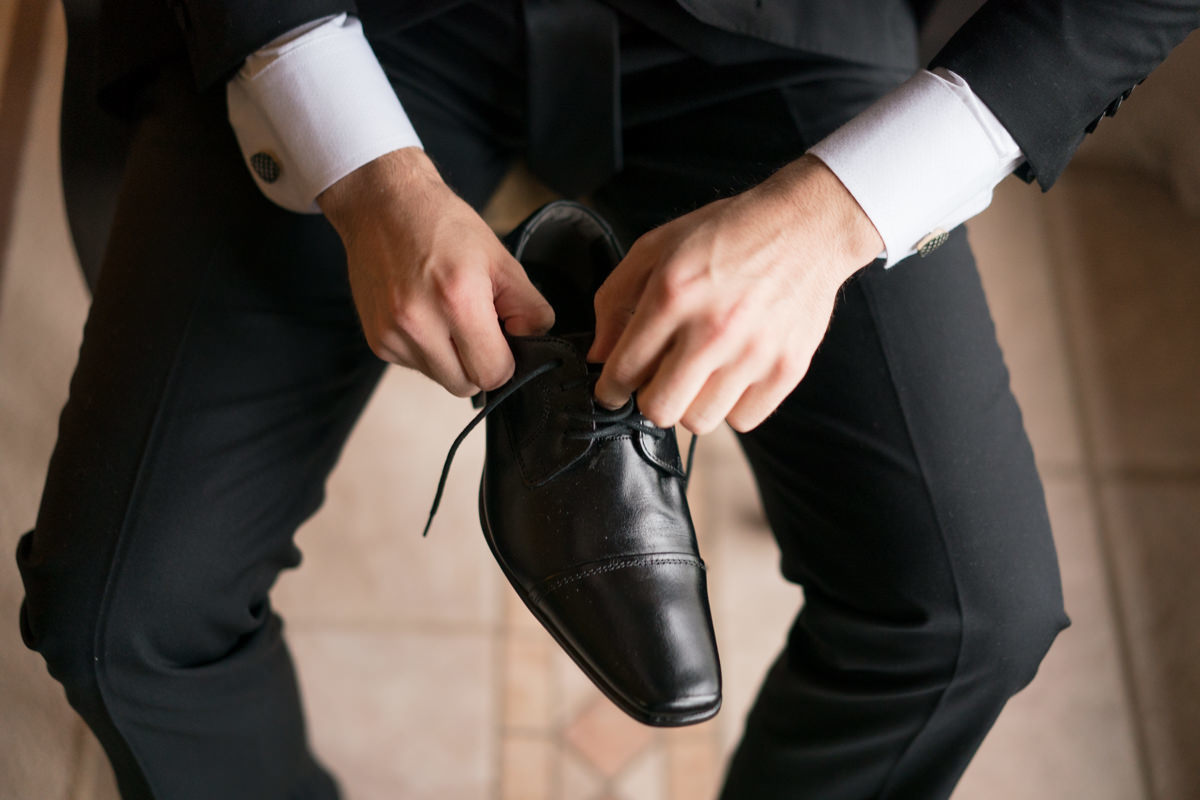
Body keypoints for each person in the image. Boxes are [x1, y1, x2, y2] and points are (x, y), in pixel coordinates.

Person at [15, 0, 1199, 798]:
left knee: (968, 615)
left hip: (778, 22)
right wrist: (358, 161)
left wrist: (835, 215)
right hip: (363, 20)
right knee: (122, 616)